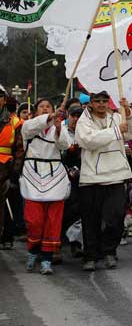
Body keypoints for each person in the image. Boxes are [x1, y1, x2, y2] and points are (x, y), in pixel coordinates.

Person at [75, 91, 132, 271]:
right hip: (92, 178)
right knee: (91, 220)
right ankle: (91, 255)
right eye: (98, 101)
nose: (102, 104)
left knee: (115, 217)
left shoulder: (117, 117)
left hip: (116, 176)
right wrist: (116, 131)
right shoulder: (84, 121)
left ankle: (109, 251)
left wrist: (128, 113)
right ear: (91, 103)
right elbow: (88, 140)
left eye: (105, 101)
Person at [20, 98, 71, 274]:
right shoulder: (29, 126)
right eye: (41, 106)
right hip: (33, 176)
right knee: (34, 220)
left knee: (53, 220)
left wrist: (57, 127)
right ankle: (33, 250)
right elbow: (30, 128)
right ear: (35, 111)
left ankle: (47, 259)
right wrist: (50, 117)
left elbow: (65, 144)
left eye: (48, 106)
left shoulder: (59, 126)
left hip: (54, 175)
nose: (45, 109)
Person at [0, 86, 23, 244]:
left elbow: (20, 150)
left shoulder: (15, 122)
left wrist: (14, 172)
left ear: (4, 99)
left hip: (4, 172)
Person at [61, 105, 84, 258]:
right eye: (73, 116)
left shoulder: (86, 132)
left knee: (80, 209)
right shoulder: (61, 132)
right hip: (62, 177)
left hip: (83, 177)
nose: (76, 119)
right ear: (68, 116)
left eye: (79, 116)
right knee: (66, 209)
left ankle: (76, 242)